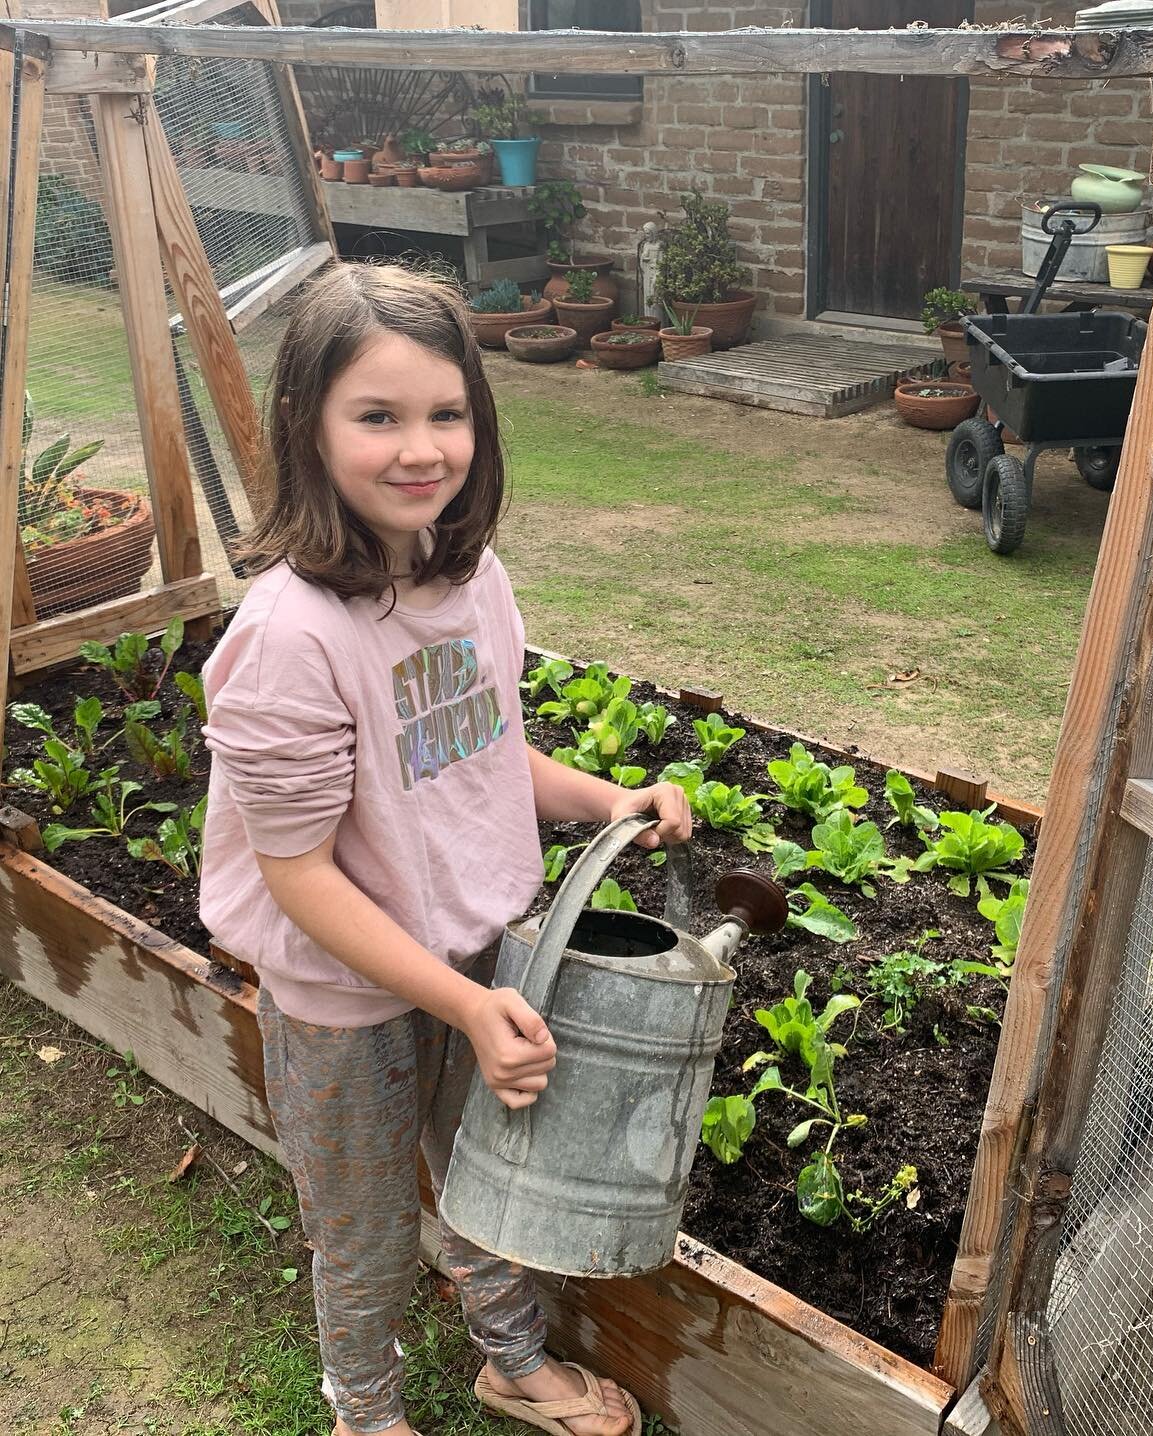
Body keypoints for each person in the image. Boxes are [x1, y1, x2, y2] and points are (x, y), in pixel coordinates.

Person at [198, 262, 690, 1436]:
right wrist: (462, 1009)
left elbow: (483, 753)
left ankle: (509, 1359)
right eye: (378, 416)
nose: (422, 448)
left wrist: (611, 796)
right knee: (362, 1224)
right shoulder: (289, 638)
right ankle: (363, 1412)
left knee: (491, 1177)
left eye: (446, 412)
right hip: (345, 999)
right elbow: (300, 875)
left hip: (479, 953)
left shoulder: (467, 579)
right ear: (307, 428)